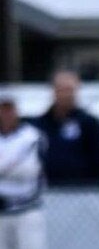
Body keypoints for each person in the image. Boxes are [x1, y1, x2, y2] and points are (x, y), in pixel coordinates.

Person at [32, 70, 99, 186]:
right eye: (61, 90)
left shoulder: (89, 124)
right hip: (47, 189)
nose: (65, 95)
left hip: (82, 190)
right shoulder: (40, 125)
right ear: (53, 91)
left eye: (69, 90)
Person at [0, 95, 48, 249]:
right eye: (3, 110)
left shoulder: (31, 136)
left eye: (10, 109)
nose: (6, 114)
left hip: (27, 208)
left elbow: (29, 171)